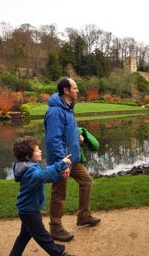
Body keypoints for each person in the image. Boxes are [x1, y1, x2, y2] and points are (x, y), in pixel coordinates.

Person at [7, 136, 78, 256]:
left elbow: (43, 179)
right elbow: (41, 176)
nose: (40, 152)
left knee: (25, 235)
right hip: (29, 211)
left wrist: (59, 176)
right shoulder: (30, 171)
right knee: (43, 236)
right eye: (37, 150)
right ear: (28, 156)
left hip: (28, 210)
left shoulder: (30, 167)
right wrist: (60, 164)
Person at [44, 77, 101, 242]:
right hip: (62, 160)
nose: (78, 91)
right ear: (66, 91)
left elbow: (67, 132)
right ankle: (55, 228)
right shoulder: (55, 111)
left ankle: (83, 216)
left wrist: (78, 138)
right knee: (59, 193)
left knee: (86, 181)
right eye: (75, 88)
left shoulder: (68, 108)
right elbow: (54, 140)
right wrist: (62, 163)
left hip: (73, 158)